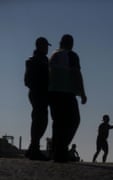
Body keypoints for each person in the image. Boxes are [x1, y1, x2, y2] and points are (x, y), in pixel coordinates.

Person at [48, 34, 87, 162]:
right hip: (66, 93)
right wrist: (82, 93)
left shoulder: (53, 55)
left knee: (58, 123)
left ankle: (56, 152)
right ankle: (61, 149)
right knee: (74, 120)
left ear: (60, 42)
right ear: (71, 44)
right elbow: (76, 74)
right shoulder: (72, 55)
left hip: (52, 93)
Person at [24, 37, 51, 161]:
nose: (47, 49)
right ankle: (34, 149)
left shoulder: (45, 60)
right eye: (46, 46)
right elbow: (27, 80)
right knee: (39, 120)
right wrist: (39, 87)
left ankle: (32, 148)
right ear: (40, 46)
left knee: (41, 120)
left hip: (43, 94)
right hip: (37, 93)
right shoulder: (33, 61)